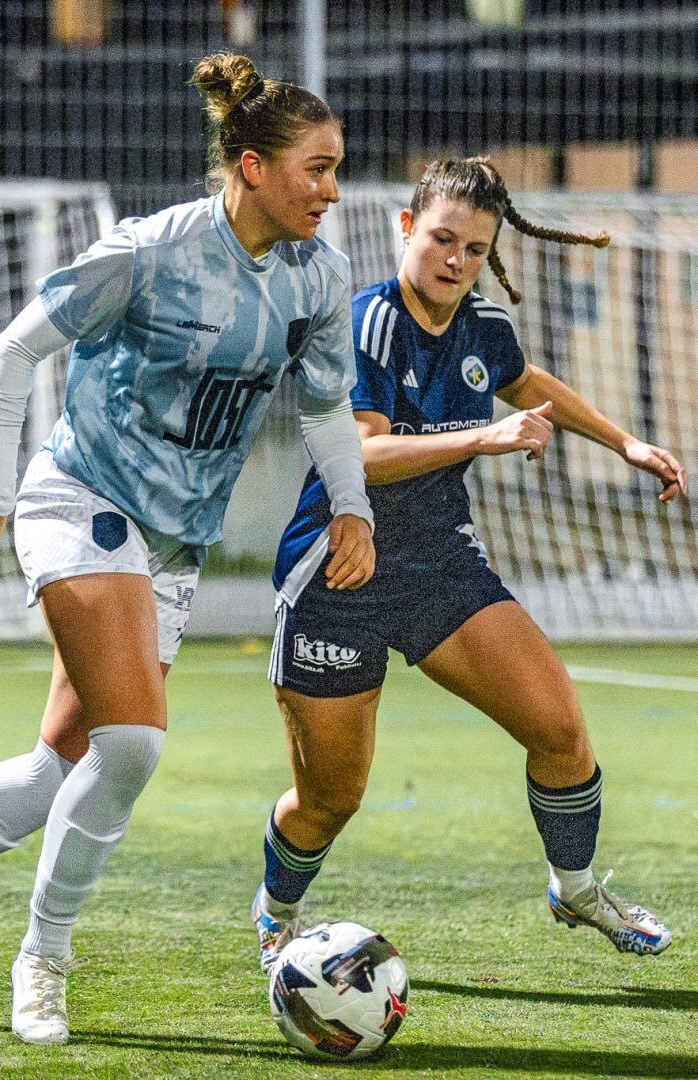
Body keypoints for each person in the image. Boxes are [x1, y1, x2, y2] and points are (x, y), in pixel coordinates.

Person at [0, 52, 377, 1044]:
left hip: (174, 541)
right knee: (133, 743)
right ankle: (43, 961)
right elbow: (14, 350)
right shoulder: (149, 251)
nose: (332, 190)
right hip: (81, 502)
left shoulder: (320, 278)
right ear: (252, 167)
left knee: (57, 769)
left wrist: (354, 509)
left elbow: (328, 410)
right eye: (318, 168)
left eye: (337, 169)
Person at [251, 157, 687, 972]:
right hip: (340, 573)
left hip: (440, 566)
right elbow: (362, 451)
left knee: (559, 731)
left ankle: (575, 887)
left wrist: (625, 443)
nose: (456, 260)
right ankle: (277, 914)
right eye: (443, 239)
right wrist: (483, 438)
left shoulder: (484, 324)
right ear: (406, 229)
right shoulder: (370, 324)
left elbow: (525, 382)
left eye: (476, 249)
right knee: (330, 799)